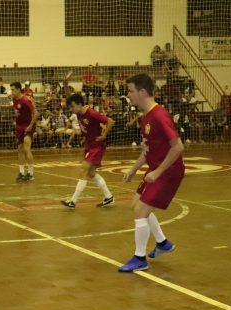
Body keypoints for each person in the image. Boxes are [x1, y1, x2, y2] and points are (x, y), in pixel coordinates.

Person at [119, 73, 185, 272]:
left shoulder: (159, 115)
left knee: (141, 211)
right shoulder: (146, 117)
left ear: (143, 92)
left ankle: (140, 258)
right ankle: (162, 242)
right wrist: (133, 169)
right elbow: (147, 150)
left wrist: (158, 172)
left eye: (130, 91)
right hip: (155, 169)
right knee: (136, 205)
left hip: (168, 172)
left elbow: (178, 147)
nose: (128, 95)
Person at [61, 93, 115, 208]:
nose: (72, 109)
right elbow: (71, 97)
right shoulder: (79, 113)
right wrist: (65, 83)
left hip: (96, 145)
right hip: (89, 144)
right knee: (91, 173)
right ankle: (108, 196)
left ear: (80, 104)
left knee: (83, 169)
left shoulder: (91, 113)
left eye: (73, 106)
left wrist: (104, 135)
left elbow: (110, 121)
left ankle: (73, 201)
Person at [9, 81, 38, 182]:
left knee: (26, 149)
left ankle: (31, 173)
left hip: (27, 127)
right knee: (20, 149)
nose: (11, 91)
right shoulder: (14, 99)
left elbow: (36, 114)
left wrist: (30, 126)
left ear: (18, 89)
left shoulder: (26, 100)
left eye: (13, 90)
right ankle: (21, 172)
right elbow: (17, 111)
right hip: (19, 127)